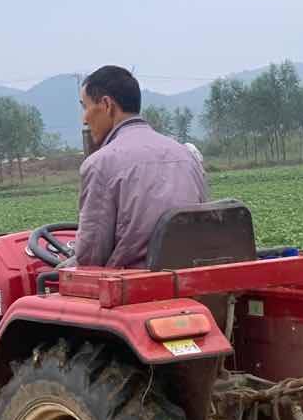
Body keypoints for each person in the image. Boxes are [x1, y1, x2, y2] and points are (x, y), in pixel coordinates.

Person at [71, 65, 209, 269]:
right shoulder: (186, 155)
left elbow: (91, 257)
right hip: (193, 279)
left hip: (133, 290)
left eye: (86, 107)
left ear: (107, 105)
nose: (84, 119)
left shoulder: (101, 164)